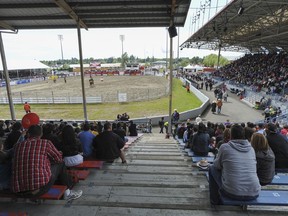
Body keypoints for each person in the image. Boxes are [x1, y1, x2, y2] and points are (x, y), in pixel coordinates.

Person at [11, 125, 82, 200]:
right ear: (41, 134)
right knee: (61, 164)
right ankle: (68, 192)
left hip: (18, 191)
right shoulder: (45, 143)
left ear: (28, 134)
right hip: (39, 189)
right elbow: (58, 159)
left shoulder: (17, 146)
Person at [209, 124, 261, 205]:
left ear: (231, 135)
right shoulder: (251, 149)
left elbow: (216, 166)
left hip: (232, 192)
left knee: (211, 168)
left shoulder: (224, 147)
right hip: (254, 192)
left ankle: (214, 202)